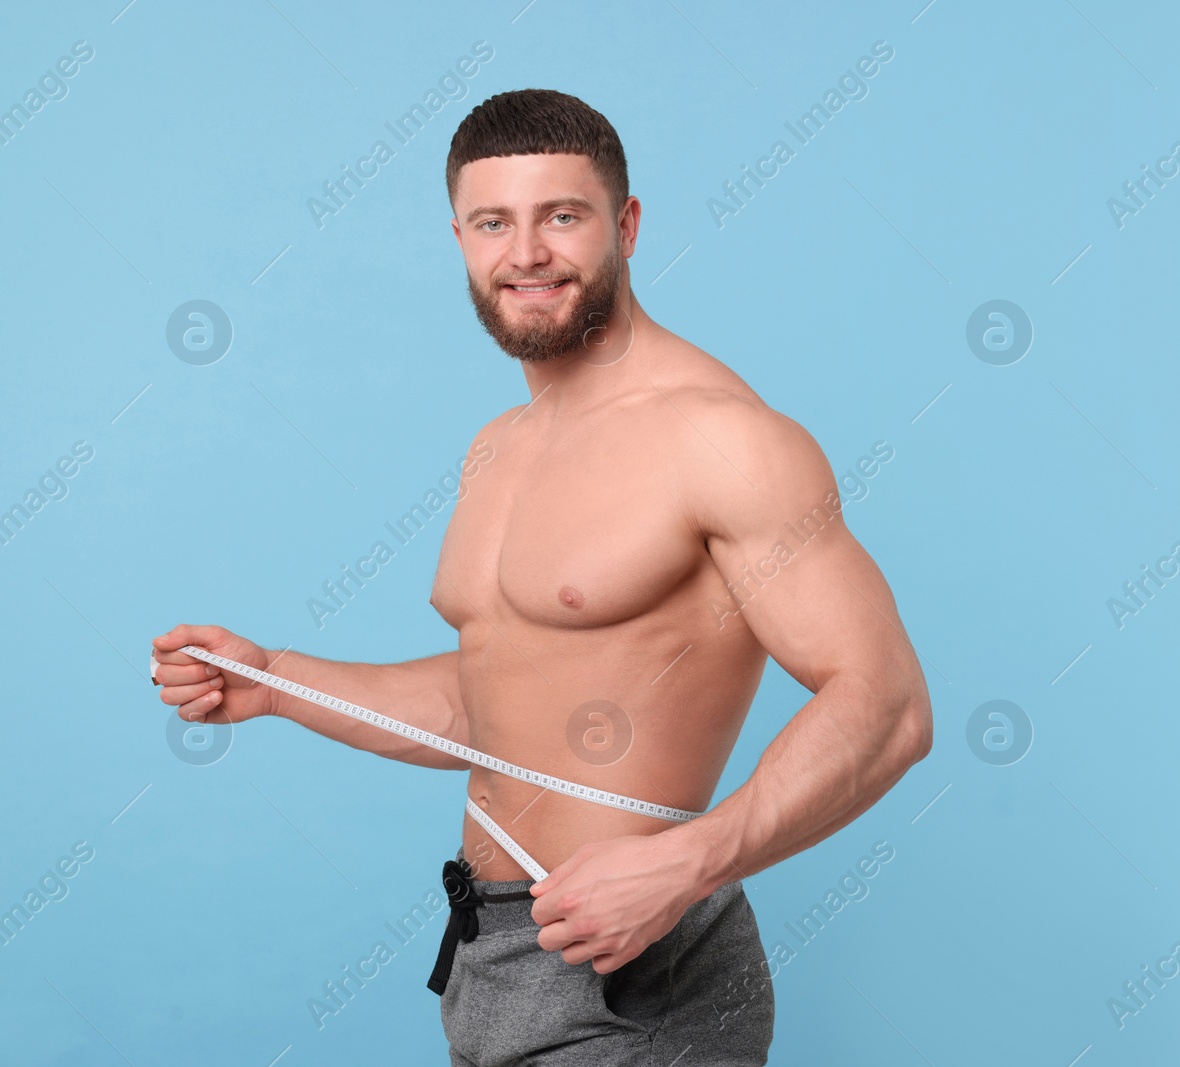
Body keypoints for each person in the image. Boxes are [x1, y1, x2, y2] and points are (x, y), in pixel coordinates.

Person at [150, 88, 932, 1065]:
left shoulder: (722, 439)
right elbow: (498, 706)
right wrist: (275, 677)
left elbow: (888, 703)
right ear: (461, 238)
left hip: (636, 972)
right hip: (492, 956)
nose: (525, 252)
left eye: (561, 215)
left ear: (626, 224)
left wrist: (685, 864)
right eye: (493, 222)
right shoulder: (500, 447)